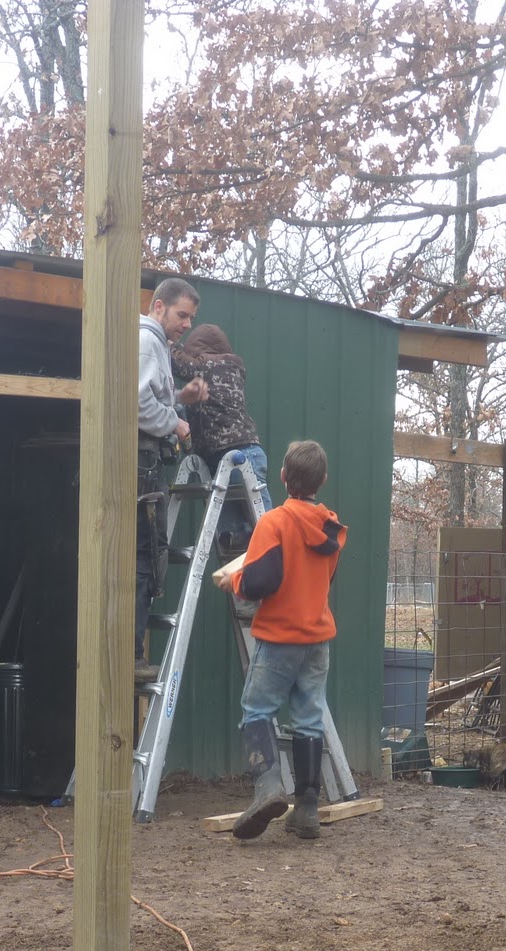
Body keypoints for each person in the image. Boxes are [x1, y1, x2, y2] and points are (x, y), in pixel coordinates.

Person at [221, 440, 347, 841]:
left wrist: (232, 580)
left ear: (282, 477)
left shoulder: (273, 523)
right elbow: (324, 579)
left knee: (256, 711)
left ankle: (268, 789)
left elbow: (260, 582)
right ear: (322, 480)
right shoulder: (331, 527)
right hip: (317, 638)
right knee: (309, 718)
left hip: (279, 638)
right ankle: (307, 809)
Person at [135, 278, 207, 683]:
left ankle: (133, 650)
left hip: (147, 458)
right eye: (182, 315)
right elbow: (139, 403)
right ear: (158, 307)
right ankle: (132, 653)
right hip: (144, 459)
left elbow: (153, 394)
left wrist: (182, 397)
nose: (186, 324)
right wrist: (177, 424)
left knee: (147, 553)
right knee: (147, 553)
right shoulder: (148, 341)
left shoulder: (154, 344)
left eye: (191, 318)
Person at [171, 324, 272, 560]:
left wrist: (166, 338)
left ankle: (284, 573)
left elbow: (180, 363)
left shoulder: (214, 365)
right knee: (237, 536)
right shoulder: (225, 369)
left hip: (240, 456)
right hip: (225, 459)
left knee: (269, 531)